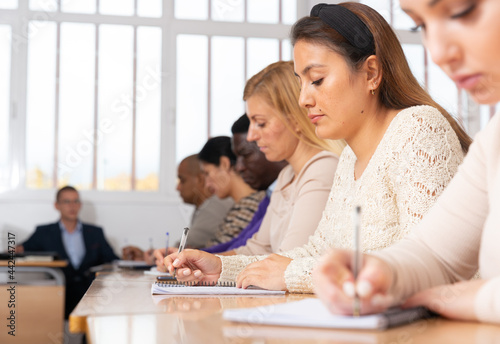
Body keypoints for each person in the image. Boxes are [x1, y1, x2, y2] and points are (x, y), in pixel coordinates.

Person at [162, 3, 471, 294]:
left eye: (317, 80)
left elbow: (428, 262)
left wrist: (292, 275)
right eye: (301, 83)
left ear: (371, 73)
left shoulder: (418, 127)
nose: (303, 100)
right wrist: (222, 269)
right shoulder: (350, 156)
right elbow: (316, 251)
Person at [312, 0, 500, 324]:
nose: (438, 52)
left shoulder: (417, 126)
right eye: (420, 25)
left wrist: (477, 298)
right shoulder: (495, 138)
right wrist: (383, 274)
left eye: (461, 11)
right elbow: (436, 253)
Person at [16, 186, 118, 319]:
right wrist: (15, 249)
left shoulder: (95, 232)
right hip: (58, 292)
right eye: (66, 201)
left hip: (90, 292)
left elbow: (112, 259)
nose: (72, 206)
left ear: (80, 205)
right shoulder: (44, 233)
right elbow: (21, 251)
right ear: (57, 205)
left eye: (75, 201)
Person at [203, 114, 287, 254]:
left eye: (246, 154)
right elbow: (245, 243)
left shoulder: (274, 193)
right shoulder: (271, 194)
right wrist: (197, 257)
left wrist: (201, 259)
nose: (239, 166)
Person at [199, 136, 266, 246]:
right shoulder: (245, 205)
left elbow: (225, 253)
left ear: (224, 164)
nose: (207, 184)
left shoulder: (250, 207)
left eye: (207, 173)